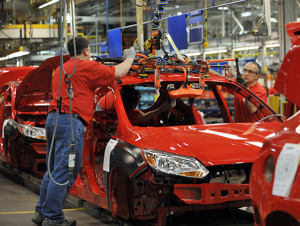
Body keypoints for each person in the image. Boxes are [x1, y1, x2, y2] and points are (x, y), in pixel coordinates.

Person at [32, 37, 135, 226]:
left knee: (54, 170)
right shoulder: (87, 67)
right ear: (86, 51)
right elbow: (119, 72)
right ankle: (53, 219)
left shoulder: (62, 69)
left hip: (53, 120)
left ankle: (42, 212)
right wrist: (130, 57)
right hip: (70, 123)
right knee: (66, 172)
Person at [99, 86, 176, 124]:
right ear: (131, 100)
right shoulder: (121, 105)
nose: (141, 97)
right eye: (137, 100)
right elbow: (144, 117)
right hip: (101, 114)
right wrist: (163, 108)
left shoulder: (123, 94)